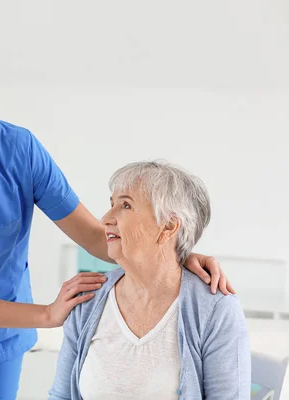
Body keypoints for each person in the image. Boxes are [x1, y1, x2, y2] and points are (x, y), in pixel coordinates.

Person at [0, 34, 233, 400]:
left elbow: (95, 237)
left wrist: (175, 254)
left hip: (0, 332)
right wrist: (47, 315)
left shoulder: (18, 149)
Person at [49, 161, 250, 400]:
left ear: (168, 226)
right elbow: (60, 396)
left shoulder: (215, 310)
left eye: (125, 205)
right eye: (111, 204)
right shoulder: (88, 299)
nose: (105, 219)